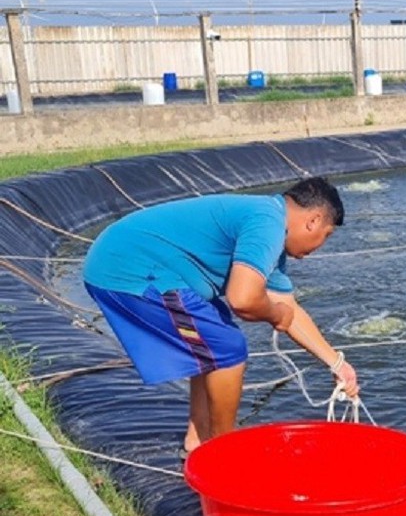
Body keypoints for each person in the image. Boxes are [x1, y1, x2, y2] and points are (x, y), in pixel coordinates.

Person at [83, 176, 358, 457]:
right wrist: (276, 314)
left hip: (132, 264)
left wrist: (337, 364)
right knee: (226, 347)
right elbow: (244, 299)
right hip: (128, 271)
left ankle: (199, 439)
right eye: (326, 235)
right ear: (314, 220)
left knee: (216, 328)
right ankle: (223, 452)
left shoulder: (268, 224)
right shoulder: (267, 223)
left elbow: (289, 308)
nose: (319, 246)